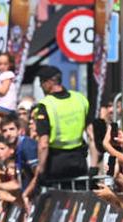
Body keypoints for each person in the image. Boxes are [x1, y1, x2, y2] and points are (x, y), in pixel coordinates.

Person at [26, 65, 97, 196]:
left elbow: (43, 144)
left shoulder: (45, 106)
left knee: (56, 205)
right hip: (79, 161)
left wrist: (40, 172)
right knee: (79, 199)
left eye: (42, 83)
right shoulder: (80, 99)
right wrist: (93, 167)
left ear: (48, 83)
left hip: (56, 164)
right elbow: (91, 135)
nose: (41, 87)